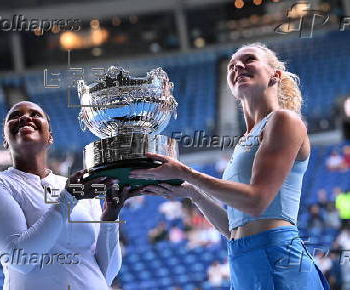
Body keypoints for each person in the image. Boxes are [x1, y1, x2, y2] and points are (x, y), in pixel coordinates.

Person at [130, 43, 330, 289]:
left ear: (274, 75)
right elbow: (235, 228)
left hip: (277, 254)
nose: (238, 65)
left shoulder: (283, 120)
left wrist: (187, 173)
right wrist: (194, 194)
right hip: (241, 259)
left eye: (249, 59)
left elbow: (256, 202)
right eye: (232, 64)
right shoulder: (244, 140)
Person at [0, 101, 138, 290]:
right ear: (5, 140)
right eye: (15, 116)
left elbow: (107, 272)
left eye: (35, 114)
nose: (25, 117)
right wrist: (68, 198)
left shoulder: (79, 188)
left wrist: (110, 217)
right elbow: (20, 259)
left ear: (50, 137)